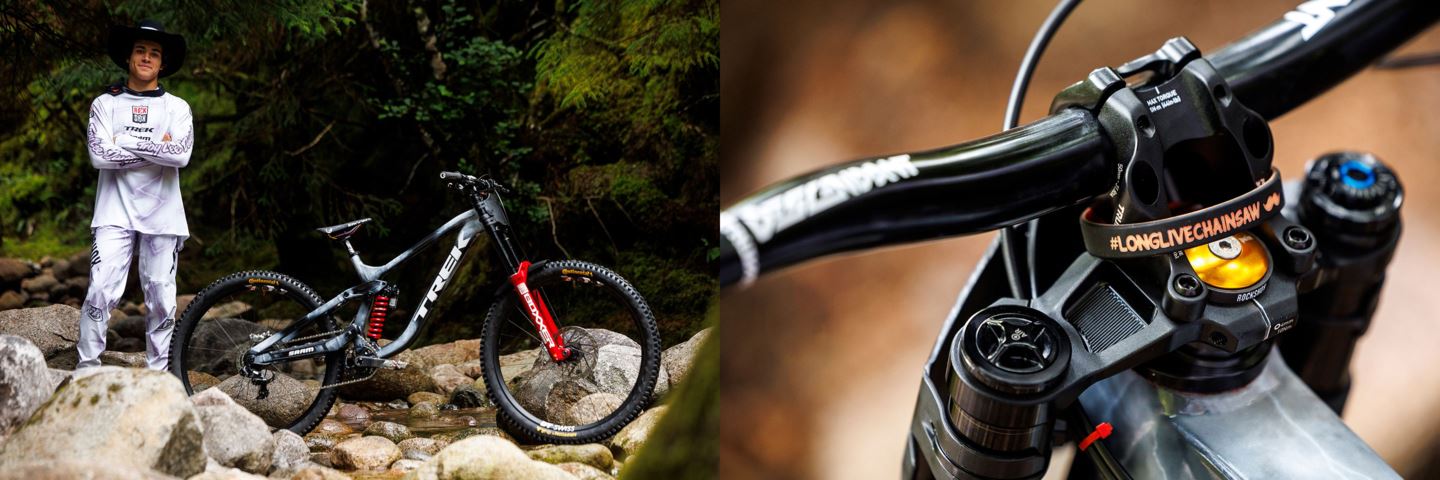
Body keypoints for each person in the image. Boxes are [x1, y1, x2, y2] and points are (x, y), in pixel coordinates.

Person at [78, 19, 193, 370]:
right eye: (140, 50)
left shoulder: (177, 108)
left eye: (154, 53)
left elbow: (180, 155)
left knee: (160, 297)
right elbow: (99, 156)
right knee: (100, 290)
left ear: (163, 64)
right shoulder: (104, 105)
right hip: (113, 213)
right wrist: (157, 146)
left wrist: (123, 141)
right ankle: (86, 369)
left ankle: (159, 373)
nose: (146, 57)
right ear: (128, 58)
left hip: (164, 215)